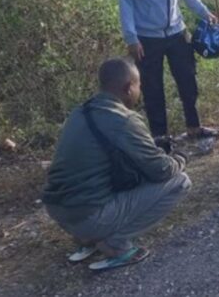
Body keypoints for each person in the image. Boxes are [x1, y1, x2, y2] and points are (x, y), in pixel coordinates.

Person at [42, 57, 191, 271]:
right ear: (129, 87)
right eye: (139, 84)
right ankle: (116, 245)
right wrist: (180, 158)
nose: (140, 89)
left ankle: (86, 239)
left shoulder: (80, 112)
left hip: (59, 211)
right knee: (180, 181)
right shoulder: (123, 119)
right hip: (89, 215)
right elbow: (162, 171)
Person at [119, 0, 219, 139]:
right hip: (146, 37)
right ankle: (160, 138)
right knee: (152, 88)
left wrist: (204, 12)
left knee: (188, 80)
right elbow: (125, 1)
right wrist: (131, 37)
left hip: (177, 31)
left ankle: (194, 127)